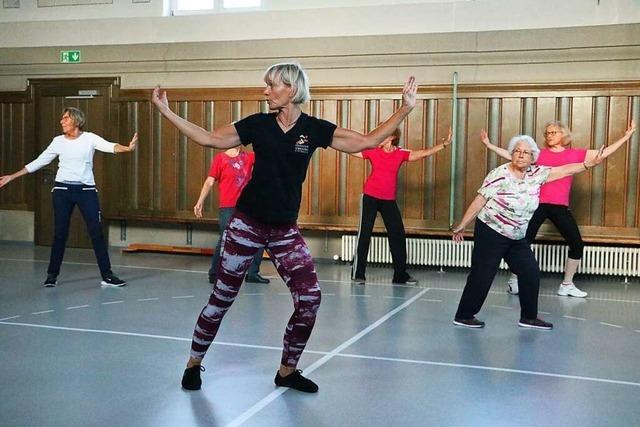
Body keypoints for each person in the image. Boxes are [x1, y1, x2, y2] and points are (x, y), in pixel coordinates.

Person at [152, 62, 418, 393]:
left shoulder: (315, 129)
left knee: (309, 299)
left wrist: (404, 109)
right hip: (246, 225)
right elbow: (208, 139)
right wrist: (165, 110)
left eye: (271, 85)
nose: (265, 90)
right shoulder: (257, 125)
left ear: (290, 89)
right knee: (222, 298)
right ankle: (193, 363)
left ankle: (287, 371)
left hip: (284, 232)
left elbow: (364, 142)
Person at [451, 133, 610, 330]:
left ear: (533, 157)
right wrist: (462, 224)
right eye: (517, 151)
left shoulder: (537, 174)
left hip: (516, 236)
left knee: (530, 272)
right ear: (511, 154)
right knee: (482, 274)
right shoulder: (499, 173)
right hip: (492, 230)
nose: (521, 155)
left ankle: (529, 317)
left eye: (526, 152)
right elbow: (480, 200)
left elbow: (564, 170)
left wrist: (589, 164)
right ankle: (464, 315)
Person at [482, 121, 636, 297]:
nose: (549, 135)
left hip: (559, 206)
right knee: (522, 242)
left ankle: (567, 285)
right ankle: (514, 280)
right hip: (537, 205)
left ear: (563, 135)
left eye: (553, 132)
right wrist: (489, 145)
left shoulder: (575, 154)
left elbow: (603, 153)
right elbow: (513, 156)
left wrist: (626, 137)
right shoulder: (538, 154)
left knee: (577, 243)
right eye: (547, 133)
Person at [0, 107, 138, 287]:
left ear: (76, 120)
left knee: (96, 233)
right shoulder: (58, 141)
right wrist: (11, 176)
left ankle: (107, 275)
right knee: (60, 233)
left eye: (65, 118)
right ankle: (52, 275)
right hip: (62, 191)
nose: (61, 121)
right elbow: (40, 161)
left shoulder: (90, 138)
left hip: (87, 191)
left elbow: (110, 146)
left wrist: (127, 148)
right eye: (62, 118)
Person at [351, 127, 452, 285]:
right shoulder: (372, 150)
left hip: (388, 200)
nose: (380, 137)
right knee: (364, 234)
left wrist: (444, 145)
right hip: (369, 197)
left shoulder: (400, 153)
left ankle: (400, 275)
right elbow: (351, 150)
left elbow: (422, 153)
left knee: (397, 235)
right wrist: (328, 141)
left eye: (383, 134)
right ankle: (358, 274)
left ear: (391, 137)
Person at [194, 146, 269, 285]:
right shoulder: (220, 159)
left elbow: (268, 155)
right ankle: (215, 273)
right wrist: (200, 201)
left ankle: (252, 273)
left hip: (247, 206)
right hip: (228, 206)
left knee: (259, 236)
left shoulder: (249, 157)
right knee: (226, 239)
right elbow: (210, 181)